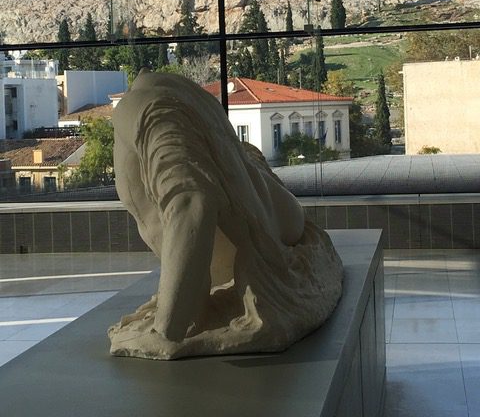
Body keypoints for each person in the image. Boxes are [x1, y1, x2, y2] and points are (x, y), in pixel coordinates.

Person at [109, 70, 342, 360]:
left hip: (262, 241)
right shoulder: (184, 97)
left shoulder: (140, 108)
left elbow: (192, 201)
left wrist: (167, 328)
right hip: (279, 218)